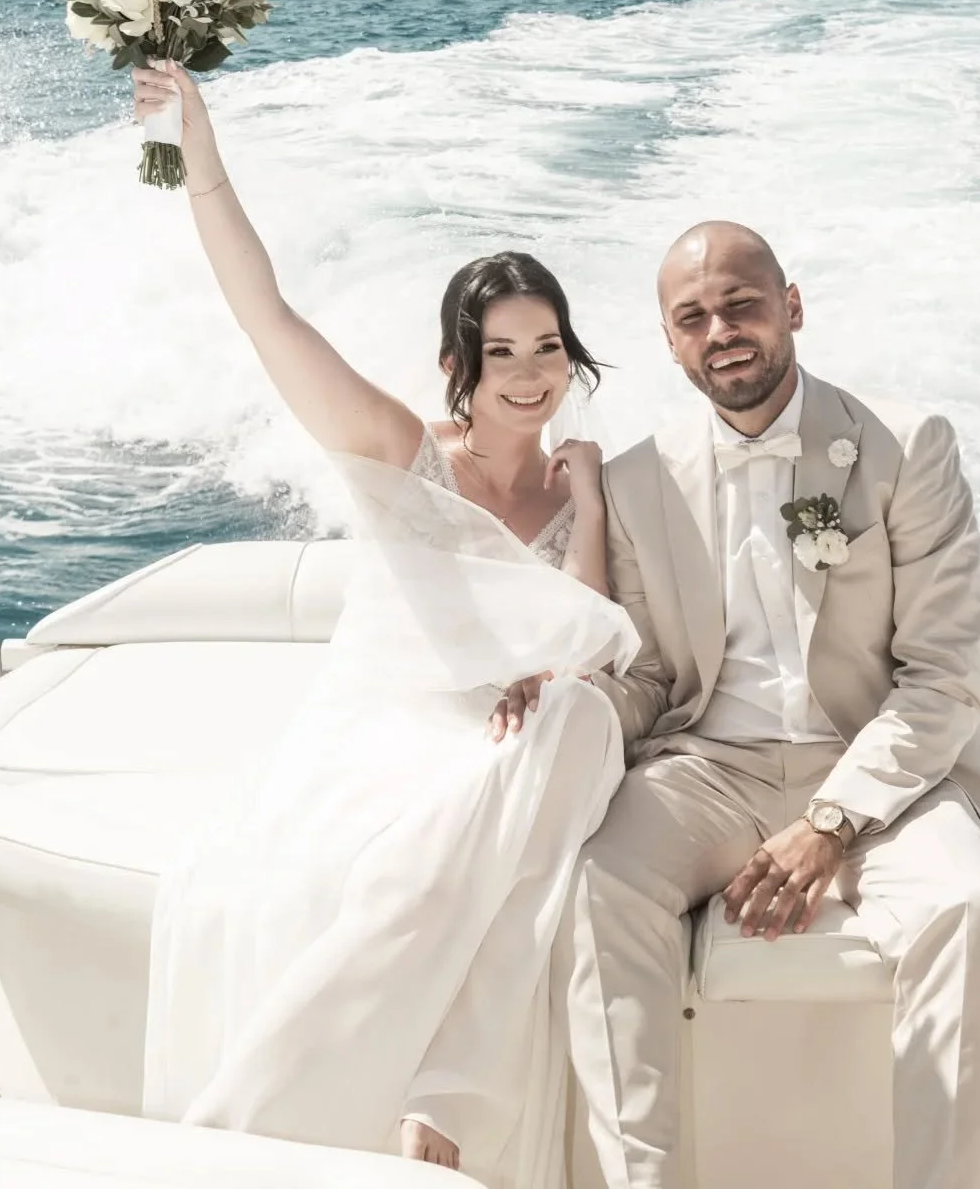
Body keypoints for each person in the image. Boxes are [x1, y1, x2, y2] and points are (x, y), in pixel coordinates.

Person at [130, 61, 637, 1187]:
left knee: (579, 722)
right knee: (503, 796)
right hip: (392, 724)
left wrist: (593, 501)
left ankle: (433, 1099)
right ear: (457, 366)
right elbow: (268, 316)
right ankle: (264, 1122)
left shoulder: (581, 487)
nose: (530, 375)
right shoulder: (406, 454)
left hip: (518, 734)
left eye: (548, 347)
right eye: (500, 352)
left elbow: (584, 639)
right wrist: (200, 153)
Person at [495, 220, 980, 1189]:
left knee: (967, 906)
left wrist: (831, 824)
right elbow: (654, 679)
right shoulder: (639, 480)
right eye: (693, 317)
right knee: (598, 886)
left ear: (792, 307)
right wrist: (569, 695)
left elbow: (943, 677)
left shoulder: (907, 446)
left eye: (741, 305)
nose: (722, 332)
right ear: (670, 342)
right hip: (710, 768)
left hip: (880, 767)